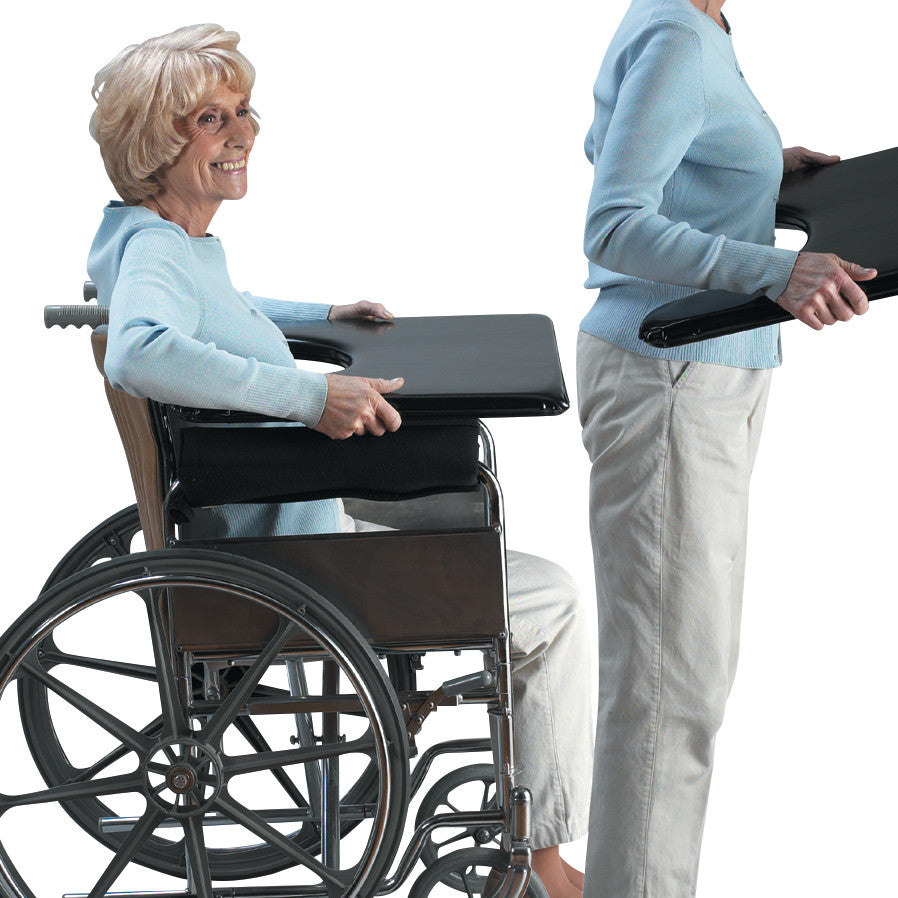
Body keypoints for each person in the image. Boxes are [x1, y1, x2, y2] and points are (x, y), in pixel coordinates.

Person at [88, 24, 591, 896]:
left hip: (283, 515)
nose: (241, 133)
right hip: (288, 547)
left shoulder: (160, 238)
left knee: (471, 513)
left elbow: (227, 308)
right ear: (155, 143)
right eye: (211, 119)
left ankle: (533, 848)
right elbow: (141, 352)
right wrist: (312, 396)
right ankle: (542, 863)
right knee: (547, 598)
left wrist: (325, 316)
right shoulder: (155, 250)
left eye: (243, 111)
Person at [579, 1, 875, 895]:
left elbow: (648, 157)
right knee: (673, 686)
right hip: (671, 376)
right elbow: (613, 223)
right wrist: (777, 269)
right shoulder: (676, 31)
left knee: (681, 676)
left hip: (704, 373)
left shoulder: (693, 22)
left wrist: (760, 175)